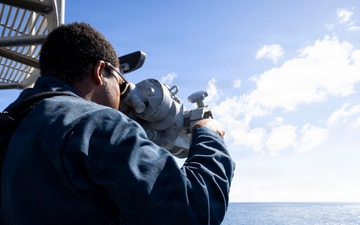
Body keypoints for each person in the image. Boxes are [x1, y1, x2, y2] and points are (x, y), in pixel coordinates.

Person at [0, 22, 235, 225]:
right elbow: (195, 210)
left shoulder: (10, 123)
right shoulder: (95, 123)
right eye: (122, 87)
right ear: (100, 71)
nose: (122, 101)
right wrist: (209, 136)